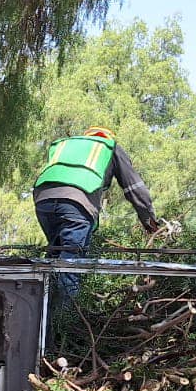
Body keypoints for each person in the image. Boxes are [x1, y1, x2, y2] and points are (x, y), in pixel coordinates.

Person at [32, 127, 164, 305]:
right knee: (71, 264)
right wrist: (150, 222)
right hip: (77, 203)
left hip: (43, 200)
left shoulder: (66, 144)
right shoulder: (109, 147)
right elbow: (133, 188)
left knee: (55, 258)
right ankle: (65, 326)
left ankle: (43, 315)